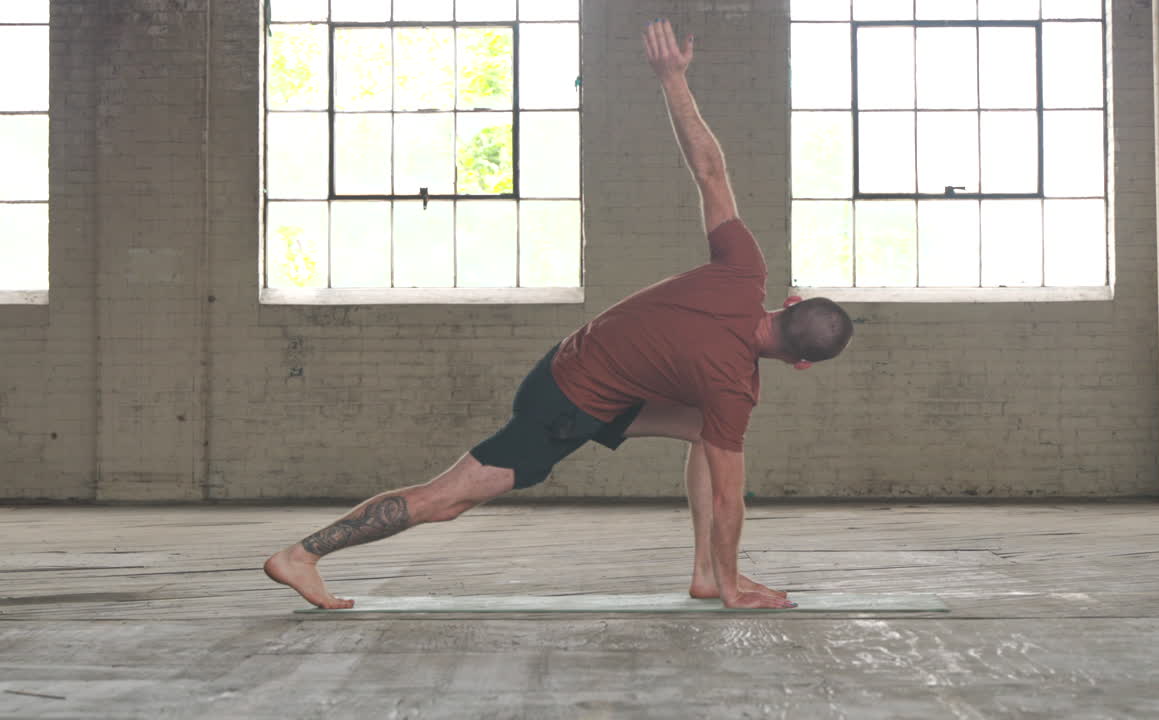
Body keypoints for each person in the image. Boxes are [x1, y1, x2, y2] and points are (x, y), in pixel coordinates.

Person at [264, 19, 854, 611]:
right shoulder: (734, 387)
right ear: (801, 364)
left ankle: (706, 573)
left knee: (706, 428)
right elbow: (730, 501)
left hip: (586, 368)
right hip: (566, 405)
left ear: (791, 302)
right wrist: (738, 589)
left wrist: (672, 78)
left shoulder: (744, 270)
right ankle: (303, 554)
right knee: (450, 499)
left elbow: (710, 171)